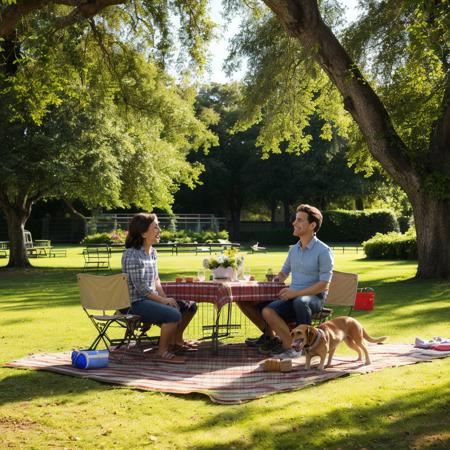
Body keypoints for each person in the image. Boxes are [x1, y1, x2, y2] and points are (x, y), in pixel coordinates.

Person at [121, 213, 197, 363]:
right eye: (155, 227)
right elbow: (141, 289)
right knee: (173, 314)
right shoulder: (131, 255)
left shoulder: (153, 252)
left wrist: (166, 299)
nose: (159, 230)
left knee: (191, 306)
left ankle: (176, 341)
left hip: (149, 300)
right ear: (143, 233)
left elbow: (156, 280)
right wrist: (163, 301)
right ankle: (162, 352)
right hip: (133, 304)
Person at [261, 204, 334, 359]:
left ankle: (305, 347)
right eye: (295, 219)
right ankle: (292, 348)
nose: (294, 223)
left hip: (315, 297)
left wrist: (296, 293)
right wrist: (276, 279)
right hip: (294, 296)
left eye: (299, 220)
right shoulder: (293, 249)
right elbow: (284, 272)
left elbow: (324, 284)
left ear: (312, 225)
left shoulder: (323, 251)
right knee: (268, 310)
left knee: (301, 302)